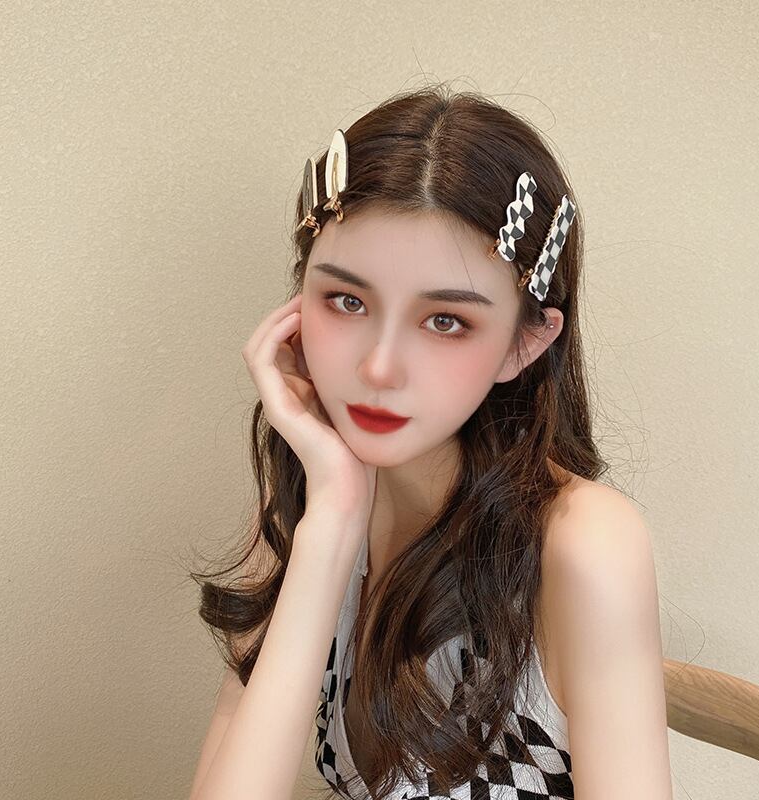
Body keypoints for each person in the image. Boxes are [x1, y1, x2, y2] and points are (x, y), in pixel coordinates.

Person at [187, 85, 673, 800]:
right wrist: (333, 523)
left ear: (525, 343)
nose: (379, 368)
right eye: (346, 301)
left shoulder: (583, 545)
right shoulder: (308, 501)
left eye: (446, 321)